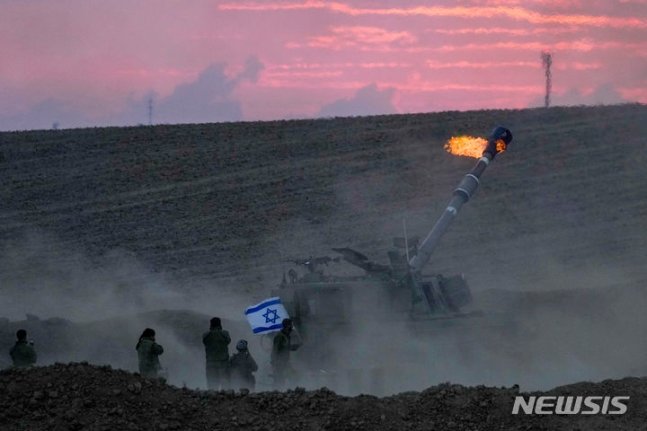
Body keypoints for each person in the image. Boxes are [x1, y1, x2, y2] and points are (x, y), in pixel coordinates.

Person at [202, 317, 231, 390]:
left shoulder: (206, 335)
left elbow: (204, 341)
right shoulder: (224, 333)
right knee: (225, 385)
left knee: (212, 385)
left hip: (211, 363)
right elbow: (228, 341)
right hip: (223, 363)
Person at [271, 318, 300, 389]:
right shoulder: (280, 336)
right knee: (280, 380)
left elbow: (285, 348)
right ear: (287, 326)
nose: (292, 327)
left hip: (285, 362)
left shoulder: (286, 335)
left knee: (294, 376)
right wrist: (274, 363)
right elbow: (275, 350)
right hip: (279, 363)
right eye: (291, 325)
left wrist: (294, 347)